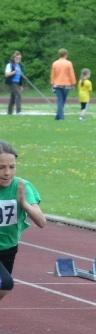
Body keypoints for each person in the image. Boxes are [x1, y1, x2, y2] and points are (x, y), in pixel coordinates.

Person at [0, 141, 46, 305]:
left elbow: (41, 222)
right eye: (1, 168)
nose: (7, 173)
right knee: (5, 284)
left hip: (8, 249)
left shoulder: (22, 186)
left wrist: (24, 204)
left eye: (12, 167)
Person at [50, 48, 76, 121]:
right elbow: (71, 74)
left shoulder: (55, 63)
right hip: (66, 84)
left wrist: (52, 84)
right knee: (62, 100)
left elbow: (53, 75)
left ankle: (58, 115)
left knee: (60, 100)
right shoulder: (68, 63)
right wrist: (73, 84)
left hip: (57, 84)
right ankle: (61, 116)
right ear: (66, 55)